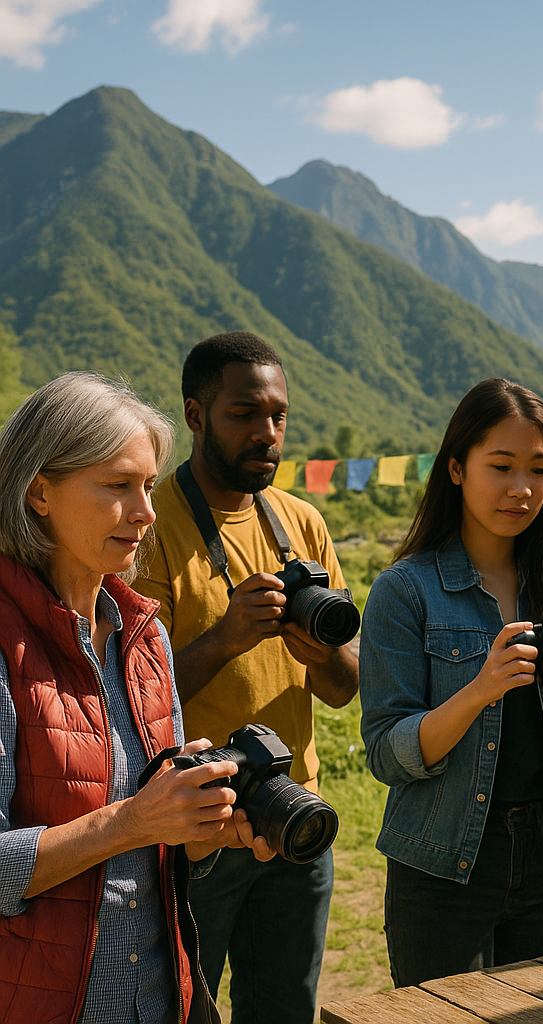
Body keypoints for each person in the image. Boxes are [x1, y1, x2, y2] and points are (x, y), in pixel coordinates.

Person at [0, 372, 273, 1024]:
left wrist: (206, 828)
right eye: (118, 485)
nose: (147, 511)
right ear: (39, 492)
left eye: (149, 486)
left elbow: (154, 856)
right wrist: (135, 820)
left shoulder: (144, 637)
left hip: (156, 999)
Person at [359, 378, 543, 987]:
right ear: (456, 469)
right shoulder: (406, 591)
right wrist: (479, 689)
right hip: (443, 863)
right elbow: (386, 751)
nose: (521, 488)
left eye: (539, 470)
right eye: (501, 466)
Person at [134, 333, 358, 1024]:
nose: (268, 433)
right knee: (184, 1010)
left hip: (293, 813)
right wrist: (230, 635)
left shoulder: (302, 521)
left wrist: (316, 650)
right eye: (244, 413)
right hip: (195, 828)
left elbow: (345, 687)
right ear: (196, 415)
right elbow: (132, 695)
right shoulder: (150, 526)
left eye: (279, 415)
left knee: (286, 1011)